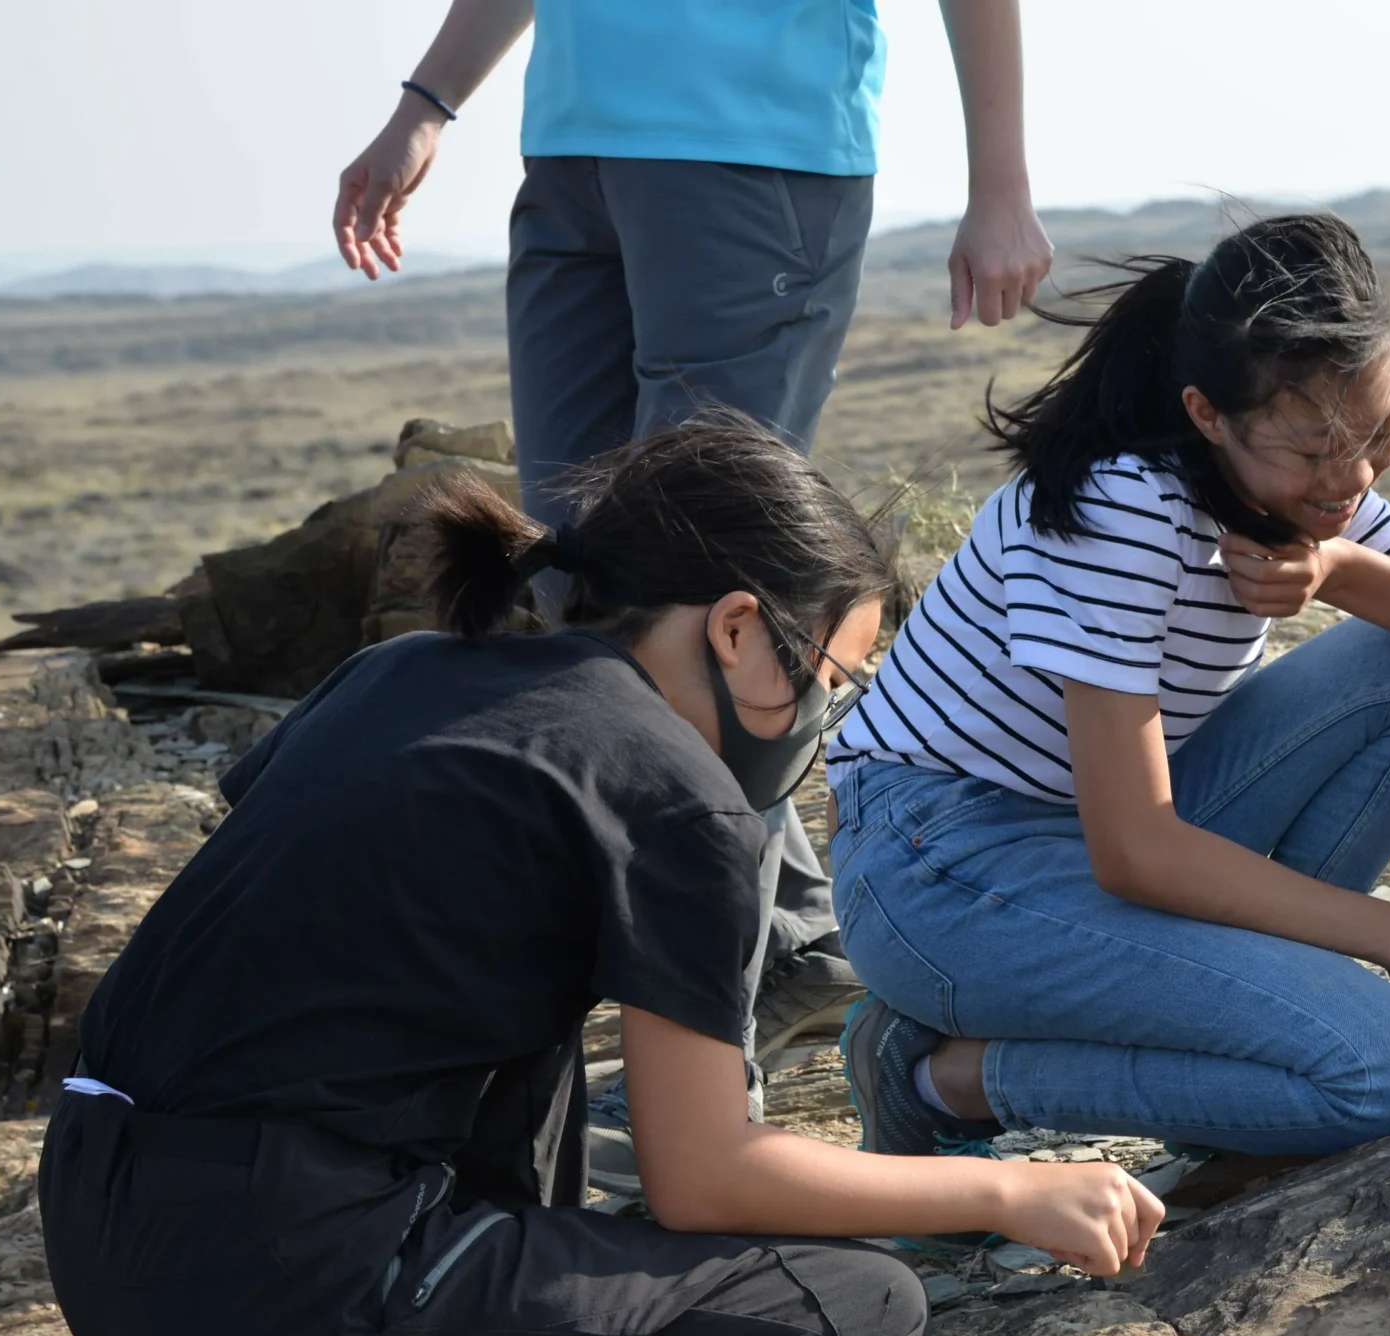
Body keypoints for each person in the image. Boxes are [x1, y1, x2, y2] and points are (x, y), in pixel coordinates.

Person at [38, 415, 1160, 1336]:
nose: (821, 718)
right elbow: (710, 1178)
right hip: (279, 1278)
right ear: (738, 627)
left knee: (596, 1162)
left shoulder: (401, 673)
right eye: (831, 678)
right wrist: (1007, 1193)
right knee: (851, 1324)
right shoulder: (668, 788)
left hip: (110, 1231)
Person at [331, 0, 1057, 1087]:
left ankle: (711, 1073)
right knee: (583, 588)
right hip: (575, 151)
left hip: (753, 149)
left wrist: (999, 183)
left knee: (710, 600)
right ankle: (800, 940)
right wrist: (425, 106)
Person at [823, 214, 1390, 1162]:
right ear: (1206, 414)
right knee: (1385, 1068)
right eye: (1312, 449)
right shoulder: (1123, 506)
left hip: (1107, 837)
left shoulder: (1302, 485)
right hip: (947, 864)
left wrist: (1345, 571)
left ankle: (1250, 1024)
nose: (1349, 476)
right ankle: (936, 1079)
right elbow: (1136, 852)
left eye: (1380, 431)